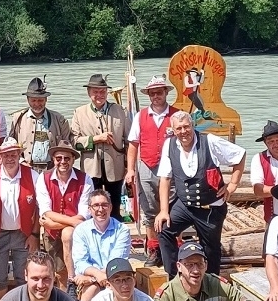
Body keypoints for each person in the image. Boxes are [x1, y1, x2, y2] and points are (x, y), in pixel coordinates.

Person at [154, 111, 246, 276]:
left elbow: (239, 155)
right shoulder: (169, 145)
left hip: (210, 206)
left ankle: (210, 281)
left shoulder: (209, 141)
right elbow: (165, 179)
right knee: (163, 229)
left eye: (186, 127)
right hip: (185, 205)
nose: (183, 132)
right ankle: (175, 276)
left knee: (211, 248)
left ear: (192, 125)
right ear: (173, 130)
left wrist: (232, 185)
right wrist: (163, 211)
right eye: (179, 128)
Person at [125, 76, 178, 267]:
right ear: (148, 95)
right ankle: (154, 249)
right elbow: (133, 145)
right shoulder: (140, 116)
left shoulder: (176, 115)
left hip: (171, 168)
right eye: (153, 93)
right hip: (146, 166)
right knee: (149, 210)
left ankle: (173, 246)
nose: (156, 96)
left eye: (159, 92)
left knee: (172, 208)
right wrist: (130, 169)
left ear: (166, 93)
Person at [0, 137, 39, 301]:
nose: (9, 159)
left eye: (13, 154)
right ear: (0, 156)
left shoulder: (32, 175)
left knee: (24, 277)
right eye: (5, 155)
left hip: (24, 234)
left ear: (19, 154)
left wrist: (34, 235)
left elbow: (38, 208)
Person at [35, 141, 93, 296]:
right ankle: (65, 300)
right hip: (54, 233)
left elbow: (83, 214)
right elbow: (46, 211)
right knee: (59, 272)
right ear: (53, 159)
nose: (62, 162)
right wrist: (71, 221)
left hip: (76, 233)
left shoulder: (85, 179)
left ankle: (73, 288)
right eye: (58, 158)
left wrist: (54, 224)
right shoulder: (43, 178)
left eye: (67, 158)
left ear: (73, 159)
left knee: (68, 235)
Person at [71, 189, 131, 301]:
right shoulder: (80, 230)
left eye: (104, 205)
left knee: (92, 289)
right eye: (96, 205)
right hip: (95, 278)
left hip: (115, 276)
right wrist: (98, 276)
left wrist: (93, 278)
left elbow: (115, 262)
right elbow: (80, 263)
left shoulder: (122, 230)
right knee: (89, 291)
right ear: (89, 209)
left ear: (111, 207)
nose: (100, 209)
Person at [71, 74, 129, 221]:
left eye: (102, 91)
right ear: (88, 92)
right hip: (91, 169)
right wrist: (95, 139)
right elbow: (74, 142)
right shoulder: (79, 113)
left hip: (116, 167)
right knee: (93, 206)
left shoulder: (120, 111)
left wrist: (129, 166)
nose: (99, 95)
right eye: (95, 91)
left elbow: (129, 141)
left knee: (114, 207)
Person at [9, 77, 71, 172]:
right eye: (33, 100)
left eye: (40, 100)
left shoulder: (59, 119)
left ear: (46, 100)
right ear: (28, 100)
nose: (37, 104)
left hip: (52, 169)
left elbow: (67, 145)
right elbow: (11, 143)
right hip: (26, 168)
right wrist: (21, 162)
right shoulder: (18, 118)